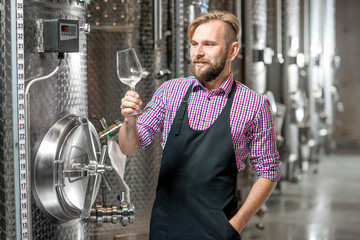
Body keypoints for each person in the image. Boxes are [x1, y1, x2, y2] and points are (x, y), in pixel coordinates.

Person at [119, 10, 280, 240]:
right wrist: (129, 121)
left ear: (232, 50)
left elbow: (268, 171)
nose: (198, 52)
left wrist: (235, 226)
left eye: (209, 44)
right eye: (194, 44)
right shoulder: (170, 92)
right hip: (164, 231)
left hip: (217, 234)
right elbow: (128, 147)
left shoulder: (253, 105)